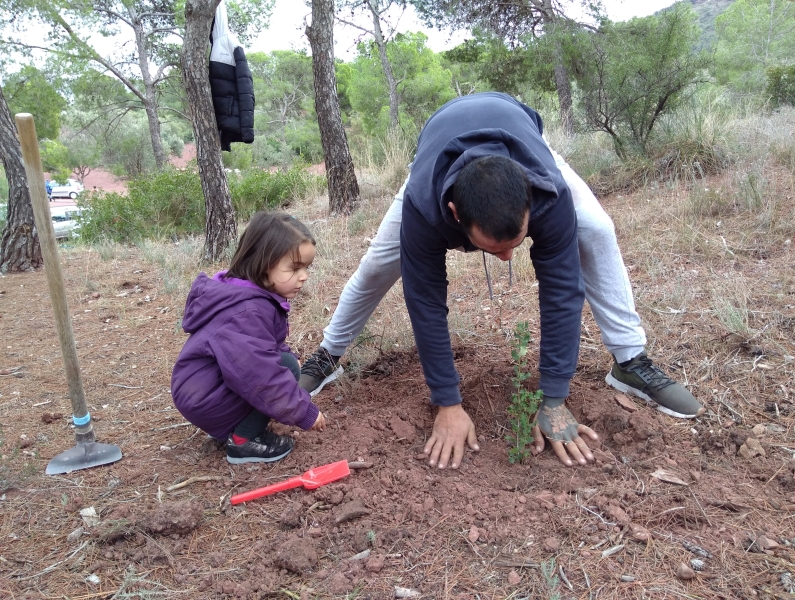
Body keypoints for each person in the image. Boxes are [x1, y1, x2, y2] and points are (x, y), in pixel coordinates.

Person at [299, 92, 704, 470]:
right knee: (377, 265)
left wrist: (554, 398)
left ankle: (631, 361)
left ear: (531, 200)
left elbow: (562, 293)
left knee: (596, 228)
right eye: (494, 248)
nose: (509, 258)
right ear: (455, 215)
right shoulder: (424, 208)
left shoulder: (548, 192)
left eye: (515, 243)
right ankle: (328, 355)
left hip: (522, 146)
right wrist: (447, 402)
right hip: (437, 156)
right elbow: (425, 302)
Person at [171, 212, 326, 464]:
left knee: (286, 362)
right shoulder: (246, 312)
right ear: (264, 265)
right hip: (205, 399)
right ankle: (243, 442)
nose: (304, 276)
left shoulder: (244, 294)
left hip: (201, 392)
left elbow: (264, 343)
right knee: (284, 369)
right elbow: (261, 376)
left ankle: (233, 425)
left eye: (306, 267)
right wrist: (303, 411)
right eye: (295, 267)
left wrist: (287, 354)